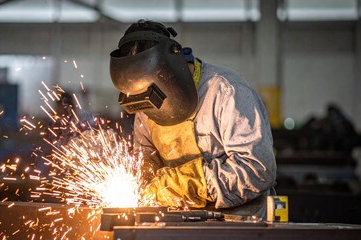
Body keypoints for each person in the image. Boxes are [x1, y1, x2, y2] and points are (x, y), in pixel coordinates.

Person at [109, 19, 277, 218]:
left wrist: (182, 185)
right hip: (178, 220)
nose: (147, 106)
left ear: (171, 64)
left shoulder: (227, 91)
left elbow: (257, 170)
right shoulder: (144, 98)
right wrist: (141, 178)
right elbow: (145, 155)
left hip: (239, 222)